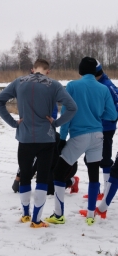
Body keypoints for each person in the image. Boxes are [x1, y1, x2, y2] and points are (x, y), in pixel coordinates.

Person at [0, 58, 77, 228]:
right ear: (48, 71)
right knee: (42, 179)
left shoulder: (19, 81)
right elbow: (72, 107)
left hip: (24, 137)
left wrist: (12, 122)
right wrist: (56, 123)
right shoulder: (53, 84)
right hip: (46, 138)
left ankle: (25, 215)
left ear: (32, 69)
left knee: (25, 176)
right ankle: (36, 220)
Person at [44, 57, 117, 226]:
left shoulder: (73, 86)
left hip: (78, 136)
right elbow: (113, 115)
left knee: (58, 172)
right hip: (98, 136)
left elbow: (67, 114)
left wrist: (62, 138)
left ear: (80, 70)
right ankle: (91, 215)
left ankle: (59, 214)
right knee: (93, 175)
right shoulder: (103, 89)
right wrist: (97, 116)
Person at [83, 61, 118, 200]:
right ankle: (96, 189)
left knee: (104, 159)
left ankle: (106, 191)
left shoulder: (108, 86)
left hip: (106, 128)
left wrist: (110, 119)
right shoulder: (95, 84)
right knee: (89, 159)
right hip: (94, 127)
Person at [12, 132, 79, 195]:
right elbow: (26, 161)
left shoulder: (46, 138)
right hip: (50, 166)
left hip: (67, 166)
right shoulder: (31, 138)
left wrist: (22, 181)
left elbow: (32, 164)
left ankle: (71, 180)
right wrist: (18, 180)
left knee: (49, 190)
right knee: (42, 184)